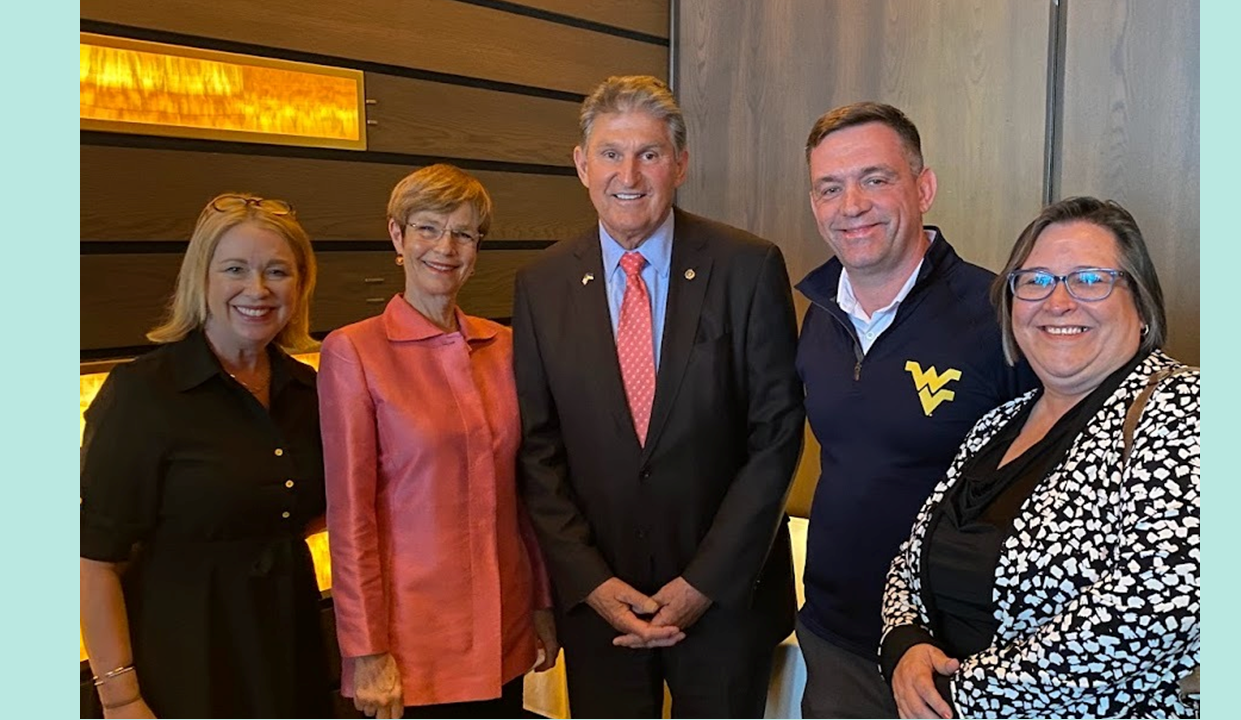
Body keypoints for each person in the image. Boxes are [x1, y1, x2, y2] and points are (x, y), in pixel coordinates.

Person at [513, 75, 805, 718]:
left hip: (726, 603)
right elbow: (538, 449)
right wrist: (590, 582)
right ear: (581, 164)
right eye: (611, 153)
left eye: (649, 153)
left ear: (680, 164)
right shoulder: (541, 284)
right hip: (602, 607)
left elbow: (777, 434)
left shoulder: (747, 266)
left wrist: (705, 582)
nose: (630, 173)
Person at [882, 196, 1200, 718]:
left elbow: (1155, 608)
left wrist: (958, 694)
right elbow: (910, 558)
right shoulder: (997, 425)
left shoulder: (1182, 408)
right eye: (1035, 281)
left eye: (1090, 279)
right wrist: (906, 647)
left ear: (1141, 305)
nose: (1058, 302)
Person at [793, 102, 1037, 718]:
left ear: (923, 187)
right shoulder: (818, 311)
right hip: (833, 636)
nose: (852, 205)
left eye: (875, 179)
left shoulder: (998, 317)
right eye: (830, 187)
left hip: (951, 656)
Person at [319, 164, 558, 720]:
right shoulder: (353, 352)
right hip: (410, 645)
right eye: (428, 228)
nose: (445, 247)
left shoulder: (506, 346)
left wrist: (542, 602)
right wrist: (365, 650)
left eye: (463, 233)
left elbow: (528, 492)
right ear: (397, 237)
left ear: (478, 247)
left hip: (504, 626)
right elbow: (351, 519)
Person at [80, 193, 329, 718]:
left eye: (277, 271)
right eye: (235, 269)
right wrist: (120, 697)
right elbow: (96, 559)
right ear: (203, 279)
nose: (256, 290)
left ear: (300, 285)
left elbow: (304, 509)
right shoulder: (143, 394)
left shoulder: (309, 390)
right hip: (184, 660)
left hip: (291, 645)